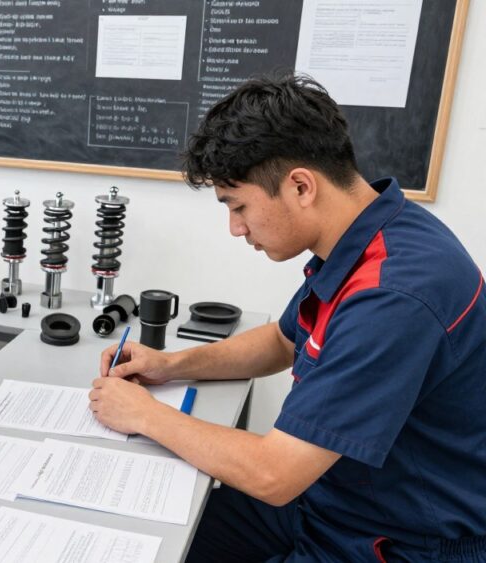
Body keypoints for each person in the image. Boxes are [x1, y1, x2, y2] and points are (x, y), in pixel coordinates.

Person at [89, 73, 486, 562]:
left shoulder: (395, 295)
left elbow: (273, 475)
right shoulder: (369, 236)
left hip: (395, 540)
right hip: (329, 501)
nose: (236, 228)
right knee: (149, 537)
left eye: (238, 206)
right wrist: (171, 365)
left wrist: (144, 415)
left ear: (301, 185)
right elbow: (283, 341)